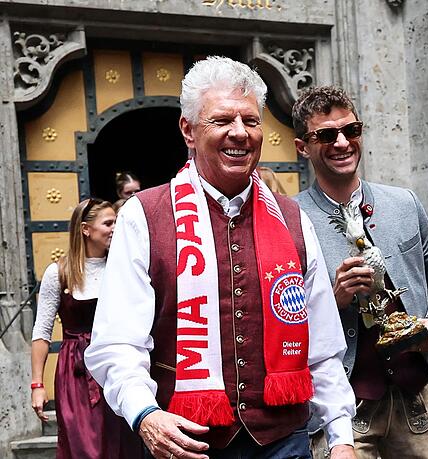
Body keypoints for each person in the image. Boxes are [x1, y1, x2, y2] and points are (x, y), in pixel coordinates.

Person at [85, 56, 356, 458]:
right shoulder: (145, 216)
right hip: (185, 441)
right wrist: (145, 414)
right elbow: (118, 342)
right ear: (188, 130)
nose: (239, 133)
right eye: (222, 120)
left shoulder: (294, 219)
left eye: (250, 120)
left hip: (284, 440)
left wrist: (341, 437)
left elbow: (323, 342)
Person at [292, 86, 428, 459]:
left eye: (352, 130)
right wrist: (334, 299)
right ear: (302, 147)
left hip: (417, 399)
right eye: (327, 135)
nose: (343, 142)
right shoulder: (290, 220)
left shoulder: (404, 203)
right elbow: (282, 324)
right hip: (344, 409)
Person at [30, 198, 142, 458]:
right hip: (75, 373)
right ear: (85, 229)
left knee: (121, 445)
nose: (115, 227)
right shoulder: (59, 273)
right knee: (82, 447)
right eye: (108, 223)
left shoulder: (122, 268)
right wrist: (37, 384)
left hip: (117, 365)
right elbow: (42, 332)